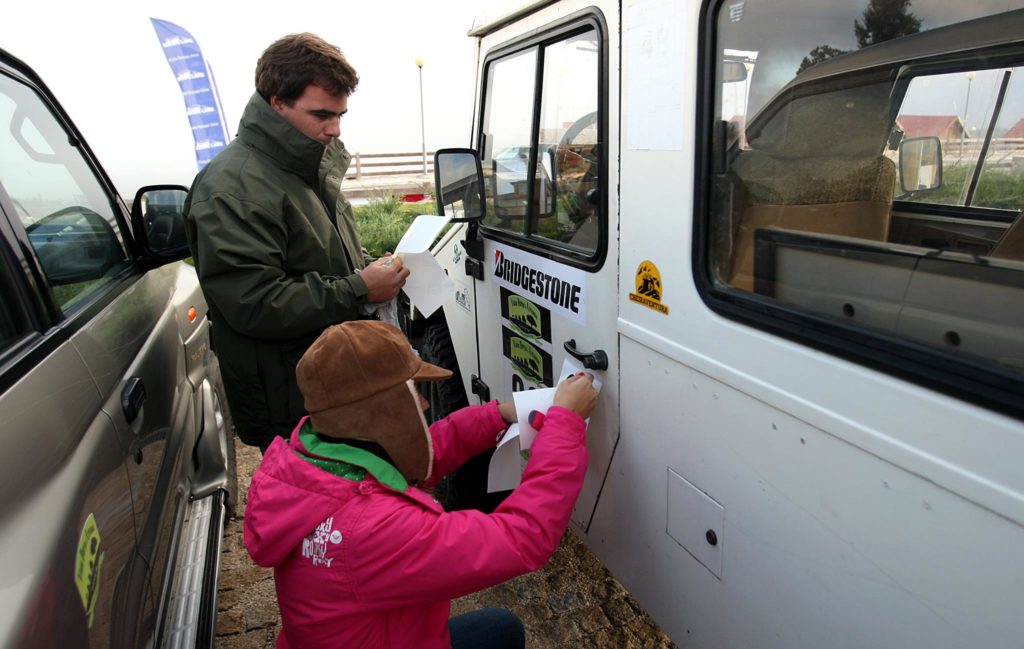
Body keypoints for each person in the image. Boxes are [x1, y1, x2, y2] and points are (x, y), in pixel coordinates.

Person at [243, 320, 598, 649]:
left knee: (500, 627)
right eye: (415, 392)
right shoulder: (374, 529)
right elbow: (522, 537)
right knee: (502, 630)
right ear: (386, 414)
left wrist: (497, 415)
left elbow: (420, 454)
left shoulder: (318, 461)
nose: (426, 403)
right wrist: (564, 425)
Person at [183, 33, 409, 451]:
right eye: (322, 114)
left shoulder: (308, 167)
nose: (335, 128)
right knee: (314, 511)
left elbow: (317, 254)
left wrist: (367, 266)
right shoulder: (232, 188)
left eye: (341, 114)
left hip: (330, 381)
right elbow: (253, 301)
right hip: (289, 399)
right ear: (276, 103)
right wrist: (359, 288)